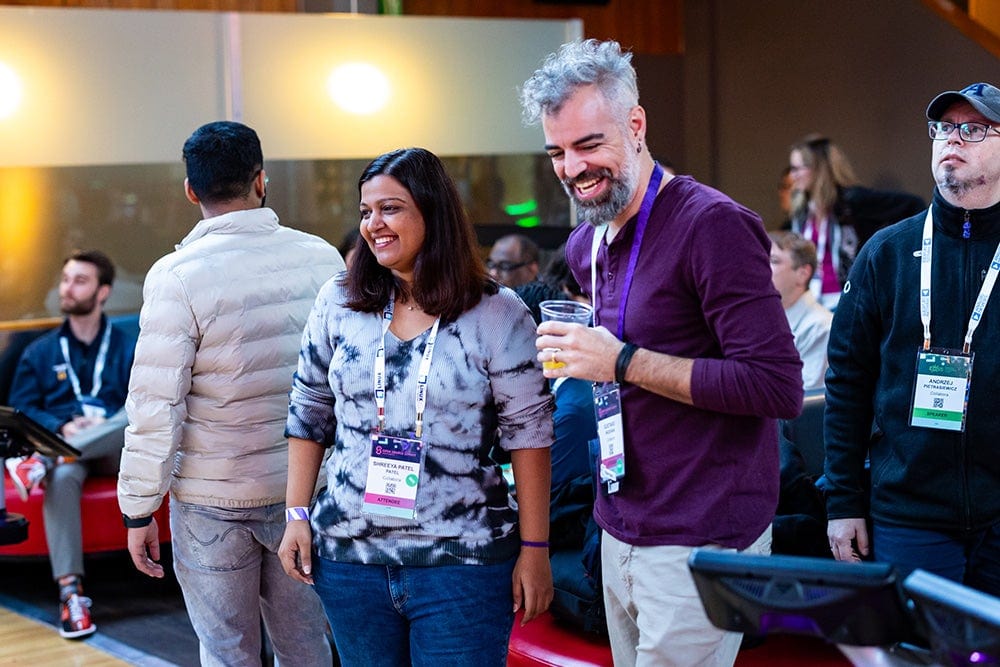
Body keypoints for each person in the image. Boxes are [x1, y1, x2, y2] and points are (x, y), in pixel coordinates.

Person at [520, 39, 803, 666]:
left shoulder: (713, 226)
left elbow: (775, 386)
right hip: (619, 519)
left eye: (589, 144)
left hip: (704, 532)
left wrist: (621, 362)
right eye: (557, 152)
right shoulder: (586, 242)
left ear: (637, 124)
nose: (571, 167)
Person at [278, 147, 554, 667]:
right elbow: (309, 408)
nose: (373, 224)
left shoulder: (497, 313)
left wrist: (535, 550)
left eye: (390, 209)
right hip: (349, 557)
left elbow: (530, 434)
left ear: (433, 213)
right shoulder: (339, 301)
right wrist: (297, 514)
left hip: (461, 562)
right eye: (365, 211)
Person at [117, 121, 342, 666]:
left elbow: (155, 406)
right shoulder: (323, 260)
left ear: (191, 190)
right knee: (307, 648)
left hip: (211, 503)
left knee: (227, 653)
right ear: (261, 180)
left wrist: (137, 510)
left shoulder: (176, 275)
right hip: (305, 495)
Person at [825, 83, 1000, 598]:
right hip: (908, 513)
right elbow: (847, 385)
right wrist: (843, 503)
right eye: (945, 129)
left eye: (972, 129)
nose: (953, 140)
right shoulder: (889, 252)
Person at [6, 249, 135, 639]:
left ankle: (41, 461)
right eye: (65, 279)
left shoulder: (127, 346)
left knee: (131, 417)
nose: (68, 287)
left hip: (117, 449)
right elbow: (23, 408)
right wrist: (64, 423)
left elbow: (143, 405)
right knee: (63, 479)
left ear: (103, 292)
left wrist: (100, 423)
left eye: (80, 280)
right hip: (71, 455)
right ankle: (71, 594)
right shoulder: (41, 352)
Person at [789, 134, 925, 310]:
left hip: (845, 300)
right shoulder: (802, 211)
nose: (793, 175)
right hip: (810, 301)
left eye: (798, 168)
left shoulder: (853, 202)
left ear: (818, 169)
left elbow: (912, 204)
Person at [768, 231, 833, 391]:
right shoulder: (759, 319)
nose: (762, 268)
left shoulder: (820, 327)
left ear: (803, 273)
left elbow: (804, 400)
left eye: (773, 261)